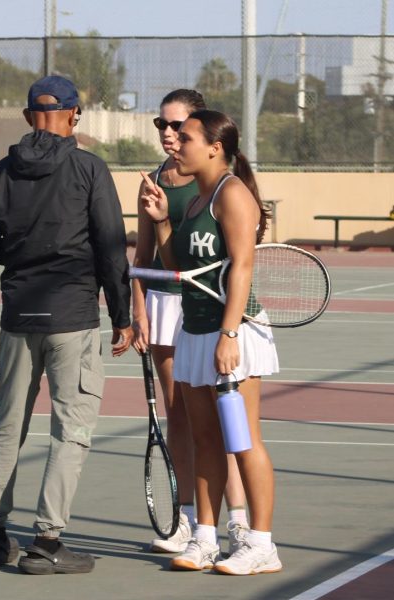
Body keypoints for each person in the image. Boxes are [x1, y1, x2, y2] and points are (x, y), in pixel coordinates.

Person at [0, 75, 133, 575]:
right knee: (71, 430)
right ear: (74, 115)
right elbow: (110, 247)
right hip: (72, 316)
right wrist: (122, 316)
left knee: (7, 427)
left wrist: (22, 258)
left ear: (26, 117)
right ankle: (47, 541)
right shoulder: (89, 168)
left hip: (18, 316)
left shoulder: (1, 172)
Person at [140, 109, 282, 575]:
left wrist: (230, 333)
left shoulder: (232, 194)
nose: (175, 144)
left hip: (232, 335)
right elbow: (179, 268)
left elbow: (242, 266)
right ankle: (205, 538)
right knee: (204, 439)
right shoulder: (198, 199)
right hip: (195, 329)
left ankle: (261, 543)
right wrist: (162, 221)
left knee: (242, 441)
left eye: (185, 138)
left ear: (214, 148)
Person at [132, 90, 249, 555]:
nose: (168, 135)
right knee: (182, 414)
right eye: (161, 125)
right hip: (166, 307)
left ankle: (239, 522)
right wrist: (136, 310)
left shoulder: (222, 183)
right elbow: (147, 254)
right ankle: (188, 521)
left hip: (211, 309)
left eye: (178, 127)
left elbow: (238, 257)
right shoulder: (156, 178)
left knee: (224, 422)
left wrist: (231, 329)